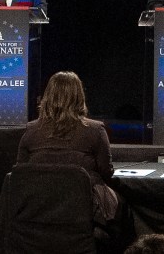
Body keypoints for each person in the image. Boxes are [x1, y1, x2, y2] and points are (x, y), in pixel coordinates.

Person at [16, 71, 131, 245]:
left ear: (47, 97)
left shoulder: (30, 131)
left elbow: (20, 174)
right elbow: (106, 173)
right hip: (84, 215)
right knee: (124, 207)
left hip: (38, 214)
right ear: (79, 97)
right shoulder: (95, 130)